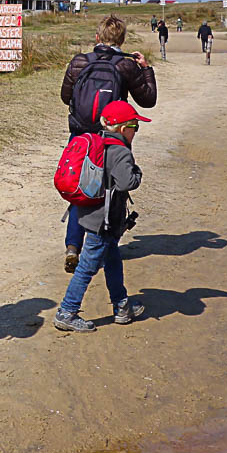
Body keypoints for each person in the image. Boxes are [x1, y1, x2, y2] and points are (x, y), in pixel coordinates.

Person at [59, 15, 156, 272]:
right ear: (122, 40)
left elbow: (65, 96)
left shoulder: (79, 61)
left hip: (80, 135)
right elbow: (147, 100)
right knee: (111, 191)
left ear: (97, 37)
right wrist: (145, 68)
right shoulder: (125, 66)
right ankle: (101, 245)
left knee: (80, 188)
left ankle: (72, 246)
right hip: (110, 135)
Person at [53, 100, 148, 332]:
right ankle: (67, 311)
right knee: (87, 265)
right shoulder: (120, 152)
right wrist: (138, 172)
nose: (136, 131)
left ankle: (121, 305)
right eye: (135, 125)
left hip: (90, 213)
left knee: (113, 258)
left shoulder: (99, 141)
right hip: (104, 220)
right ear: (124, 128)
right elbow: (128, 182)